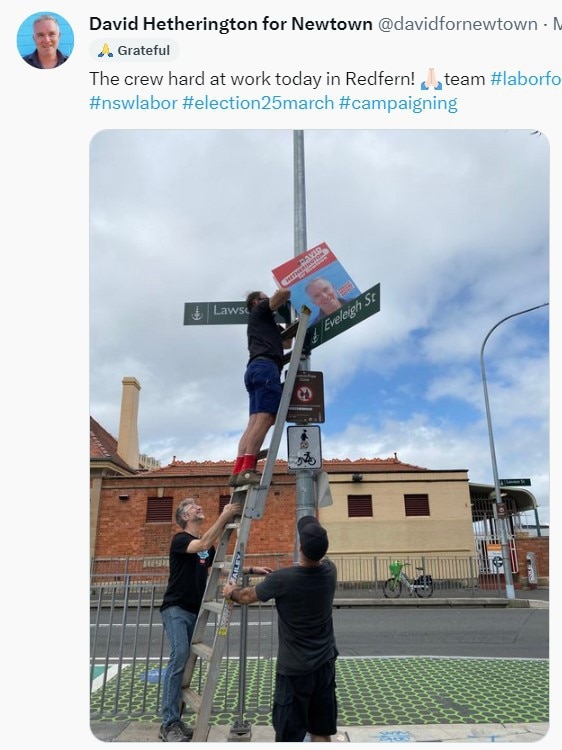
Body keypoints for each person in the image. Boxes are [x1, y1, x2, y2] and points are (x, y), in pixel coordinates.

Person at [159, 497, 271, 742]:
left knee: (185, 662)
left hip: (193, 611)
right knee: (178, 659)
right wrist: (225, 515)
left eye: (198, 504)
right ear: (185, 517)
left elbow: (219, 566)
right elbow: (204, 542)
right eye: (192, 507)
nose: (199, 507)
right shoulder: (181, 540)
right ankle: (168, 723)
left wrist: (252, 569)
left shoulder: (204, 548)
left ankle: (176, 720)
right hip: (175, 608)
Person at [223, 515, 339, 742]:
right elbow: (320, 562)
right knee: (321, 731)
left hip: (294, 672)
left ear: (301, 548)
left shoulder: (284, 579)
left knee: (288, 735)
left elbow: (247, 596)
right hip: (324, 666)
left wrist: (231, 592)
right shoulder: (330, 572)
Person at [228, 288, 293, 487]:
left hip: (257, 368)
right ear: (257, 301)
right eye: (265, 298)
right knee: (266, 418)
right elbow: (284, 293)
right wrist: (285, 294)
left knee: (254, 421)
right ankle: (248, 470)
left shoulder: (268, 324)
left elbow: (288, 343)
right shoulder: (259, 311)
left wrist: (290, 321)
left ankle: (239, 470)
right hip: (266, 368)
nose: (269, 301)